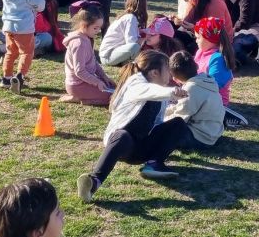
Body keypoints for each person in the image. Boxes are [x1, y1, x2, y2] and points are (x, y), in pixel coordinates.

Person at [76, 50, 190, 201]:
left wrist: (163, 141)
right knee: (122, 135)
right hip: (123, 146)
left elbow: (158, 123)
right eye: (167, 70)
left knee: (178, 124)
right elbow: (149, 90)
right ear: (155, 72)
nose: (170, 75)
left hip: (142, 148)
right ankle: (93, 182)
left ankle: (154, 163)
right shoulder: (135, 83)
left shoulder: (161, 91)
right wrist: (171, 92)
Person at [166, 51, 224, 150]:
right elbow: (180, 107)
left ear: (174, 78)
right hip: (212, 132)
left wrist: (159, 120)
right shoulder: (205, 80)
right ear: (196, 66)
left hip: (200, 138)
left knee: (161, 133)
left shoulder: (191, 89)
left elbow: (179, 119)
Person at [62, 8, 115, 106]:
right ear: (83, 25)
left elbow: (93, 62)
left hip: (86, 82)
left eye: (99, 28)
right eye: (95, 28)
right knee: (114, 97)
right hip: (77, 86)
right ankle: (79, 98)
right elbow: (80, 71)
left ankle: (85, 96)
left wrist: (104, 77)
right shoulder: (79, 44)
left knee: (115, 88)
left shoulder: (86, 38)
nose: (98, 31)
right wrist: (97, 82)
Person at [192, 16, 235, 106]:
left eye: (198, 38)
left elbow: (213, 86)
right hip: (199, 96)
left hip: (215, 104)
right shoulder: (200, 52)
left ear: (209, 38)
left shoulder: (218, 59)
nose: (196, 41)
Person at [99, 0, 149, 67]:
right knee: (135, 47)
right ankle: (129, 63)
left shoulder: (127, 17)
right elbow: (131, 42)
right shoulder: (130, 18)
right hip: (107, 56)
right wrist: (145, 39)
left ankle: (127, 62)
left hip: (112, 53)